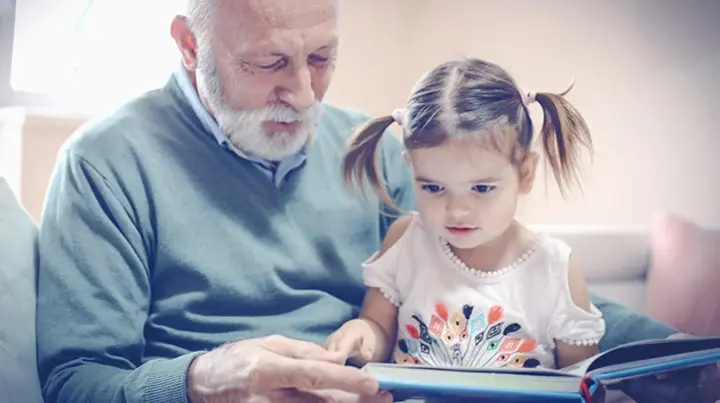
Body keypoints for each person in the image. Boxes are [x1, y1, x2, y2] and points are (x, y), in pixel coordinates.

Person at [32, 0, 716, 402]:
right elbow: (75, 379)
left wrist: (683, 357)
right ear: (190, 46)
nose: (303, 93)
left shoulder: (375, 149)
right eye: (269, 63)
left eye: (323, 57)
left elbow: (518, 278)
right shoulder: (105, 164)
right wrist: (201, 377)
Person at [325, 58, 605, 371]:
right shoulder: (407, 241)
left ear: (525, 173)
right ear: (412, 168)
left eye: (482, 189)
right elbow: (377, 326)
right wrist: (361, 334)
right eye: (433, 187)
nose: (456, 210)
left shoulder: (553, 268)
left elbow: (581, 380)